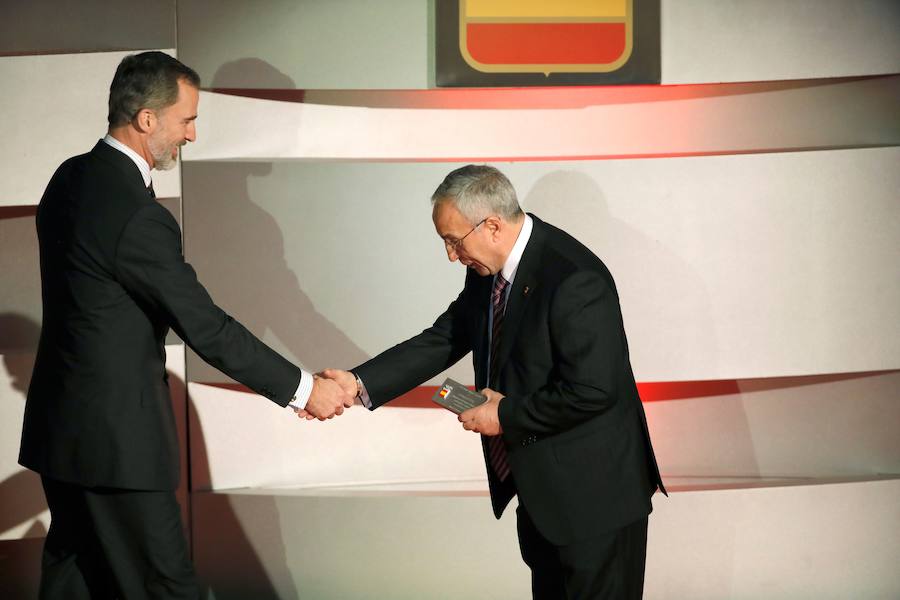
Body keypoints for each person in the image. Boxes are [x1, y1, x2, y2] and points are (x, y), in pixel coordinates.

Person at [18, 51, 352, 599]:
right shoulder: (137, 213)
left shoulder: (69, 178)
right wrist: (302, 389)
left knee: (73, 581)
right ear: (147, 118)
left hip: (63, 436)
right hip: (118, 446)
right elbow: (206, 326)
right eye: (187, 119)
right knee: (167, 588)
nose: (192, 135)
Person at [316, 165, 666, 599]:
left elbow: (593, 391)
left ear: (493, 226)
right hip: (546, 498)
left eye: (452, 241)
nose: (450, 255)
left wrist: (505, 413)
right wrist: (358, 382)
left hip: (596, 502)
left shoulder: (575, 279)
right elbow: (446, 336)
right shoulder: (486, 269)